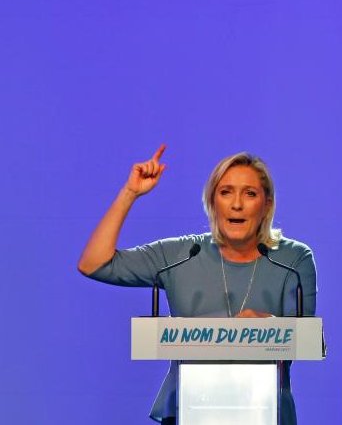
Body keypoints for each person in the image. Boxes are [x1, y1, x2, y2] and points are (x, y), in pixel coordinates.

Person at [78, 145, 317, 424]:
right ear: (212, 202)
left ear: (266, 204)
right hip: (187, 410)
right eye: (226, 192)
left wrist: (269, 324)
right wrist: (130, 193)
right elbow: (93, 263)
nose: (236, 204)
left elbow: (303, 338)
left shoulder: (293, 259)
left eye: (249, 194)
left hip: (264, 411)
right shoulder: (181, 255)